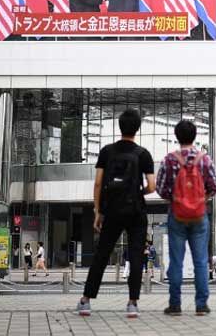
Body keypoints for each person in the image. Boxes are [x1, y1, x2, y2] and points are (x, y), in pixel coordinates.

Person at [77, 109, 156, 318]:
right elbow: (152, 186)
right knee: (136, 255)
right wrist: (138, 192)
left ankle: (85, 301)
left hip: (111, 210)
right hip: (136, 212)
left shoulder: (107, 152)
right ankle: (132, 304)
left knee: (102, 254)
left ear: (119, 127)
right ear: (137, 128)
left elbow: (98, 183)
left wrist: (98, 211)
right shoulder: (143, 154)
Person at [156, 120, 216, 316]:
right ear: (194, 136)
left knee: (176, 261)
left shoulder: (169, 159)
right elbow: (214, 185)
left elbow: (160, 188)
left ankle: (175, 305)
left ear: (177, 136)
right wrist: (201, 199)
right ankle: (201, 305)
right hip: (200, 215)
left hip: (177, 215)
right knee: (201, 260)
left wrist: (175, 200)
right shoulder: (204, 159)